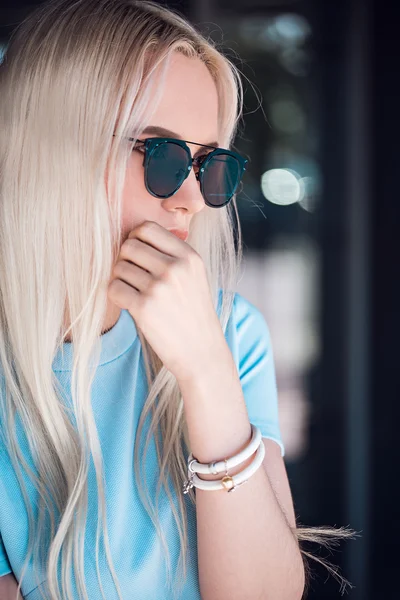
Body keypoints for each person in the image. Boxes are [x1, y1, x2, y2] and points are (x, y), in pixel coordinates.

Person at [0, 1, 355, 599]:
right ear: (52, 150)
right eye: (162, 156)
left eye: (209, 165)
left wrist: (205, 370)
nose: (192, 199)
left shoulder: (230, 332)